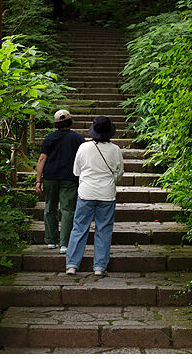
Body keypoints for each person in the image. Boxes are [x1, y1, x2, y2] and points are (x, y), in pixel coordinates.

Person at [64, 116, 124, 276]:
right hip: (107, 194)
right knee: (103, 230)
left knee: (79, 228)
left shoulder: (83, 147)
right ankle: (99, 267)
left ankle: (72, 265)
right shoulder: (116, 150)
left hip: (86, 193)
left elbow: (76, 172)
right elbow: (119, 175)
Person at [35, 109, 85, 253]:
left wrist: (38, 181)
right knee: (68, 209)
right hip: (70, 178)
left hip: (50, 177)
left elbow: (41, 159)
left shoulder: (49, 138)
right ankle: (65, 243)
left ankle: (51, 241)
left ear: (56, 124)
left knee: (50, 207)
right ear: (70, 121)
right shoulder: (78, 139)